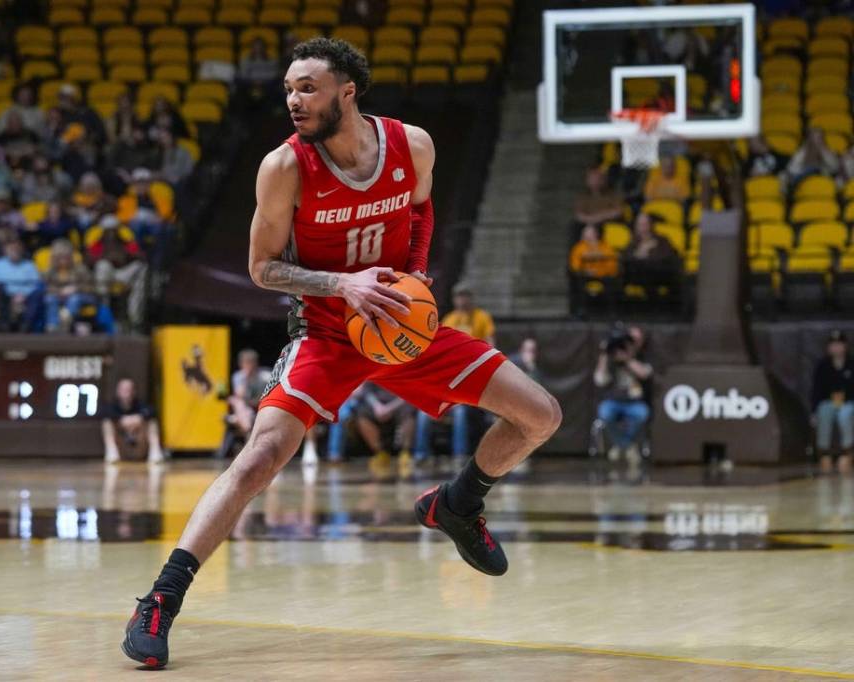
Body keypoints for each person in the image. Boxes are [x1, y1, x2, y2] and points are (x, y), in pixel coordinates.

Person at [121, 38, 562, 669]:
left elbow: (422, 211)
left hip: (401, 325)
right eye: (289, 90)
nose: (294, 101)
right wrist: (340, 284)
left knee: (541, 415)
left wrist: (413, 277)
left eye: (308, 88)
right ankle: (161, 599)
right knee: (260, 456)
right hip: (328, 330)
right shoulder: (284, 167)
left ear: (347, 92)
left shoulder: (413, 144)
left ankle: (458, 503)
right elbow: (261, 268)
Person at [411, 282, 497, 462]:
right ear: (454, 299)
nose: (462, 300)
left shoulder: (482, 318)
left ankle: (459, 454)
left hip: (474, 376)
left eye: (466, 296)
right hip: (449, 379)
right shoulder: (449, 319)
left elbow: (491, 346)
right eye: (459, 296)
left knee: (459, 413)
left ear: (472, 299)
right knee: (423, 413)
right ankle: (421, 454)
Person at [594, 324, 653, 465]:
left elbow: (645, 373)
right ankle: (626, 446)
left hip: (634, 403)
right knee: (605, 412)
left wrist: (627, 359)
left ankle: (621, 446)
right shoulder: (610, 358)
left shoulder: (643, 356)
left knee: (642, 413)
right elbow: (599, 380)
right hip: (614, 401)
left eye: (636, 340)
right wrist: (604, 354)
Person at [811, 330, 854, 474]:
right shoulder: (823, 366)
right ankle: (824, 453)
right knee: (823, 410)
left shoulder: (851, 364)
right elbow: (816, 391)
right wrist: (813, 412)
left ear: (845, 346)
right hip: (829, 403)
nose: (836, 347)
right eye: (833, 344)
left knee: (845, 414)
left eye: (839, 344)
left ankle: (847, 452)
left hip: (848, 403)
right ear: (829, 347)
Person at [0, 238, 43, 332]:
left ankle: (26, 325)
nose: (14, 252)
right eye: (11, 249)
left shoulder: (29, 266)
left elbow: (35, 285)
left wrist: (23, 294)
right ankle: (4, 324)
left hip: (23, 296)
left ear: (22, 250)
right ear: (5, 250)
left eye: (17, 249)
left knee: (37, 294)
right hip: (2, 296)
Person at [102, 378, 164, 464]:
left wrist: (138, 418)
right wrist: (122, 420)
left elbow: (152, 412)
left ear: (134, 391)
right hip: (122, 448)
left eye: (128, 390)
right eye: (123, 390)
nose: (126, 393)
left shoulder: (141, 405)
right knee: (107, 423)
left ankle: (155, 452)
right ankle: (112, 453)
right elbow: (105, 413)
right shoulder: (112, 407)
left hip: (139, 446)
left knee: (152, 423)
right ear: (117, 391)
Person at [43, 238, 94, 333]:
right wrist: (59, 291)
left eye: (65, 257)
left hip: (81, 296)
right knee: (50, 299)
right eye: (60, 257)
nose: (63, 260)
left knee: (74, 299)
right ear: (55, 258)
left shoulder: (80, 269)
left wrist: (76, 288)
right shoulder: (50, 271)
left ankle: (65, 320)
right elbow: (45, 287)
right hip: (58, 296)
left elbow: (91, 287)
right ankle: (52, 326)